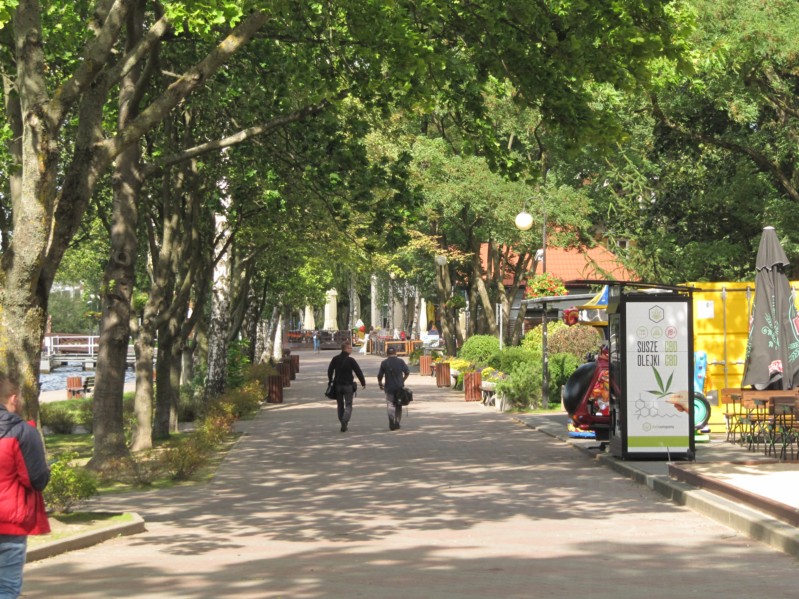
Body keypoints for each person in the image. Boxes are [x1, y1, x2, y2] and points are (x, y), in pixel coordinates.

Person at [0, 380, 50, 598]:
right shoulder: (22, 432)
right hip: (9, 522)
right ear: (12, 398)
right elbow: (36, 479)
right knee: (7, 587)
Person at [327, 342, 366, 432]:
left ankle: (342, 421)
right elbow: (358, 371)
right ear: (346, 349)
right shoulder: (351, 360)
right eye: (350, 348)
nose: (351, 350)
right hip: (348, 386)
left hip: (337, 386)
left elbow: (330, 370)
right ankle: (345, 419)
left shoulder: (335, 359)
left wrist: (330, 380)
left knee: (340, 405)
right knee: (348, 404)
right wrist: (363, 382)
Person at [377, 346, 410, 431]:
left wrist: (380, 383)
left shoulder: (384, 363)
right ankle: (397, 423)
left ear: (387, 354)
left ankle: (391, 421)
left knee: (390, 404)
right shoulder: (401, 361)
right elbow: (407, 372)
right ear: (395, 353)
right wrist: (402, 380)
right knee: (399, 405)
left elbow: (380, 375)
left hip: (389, 388)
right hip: (399, 388)